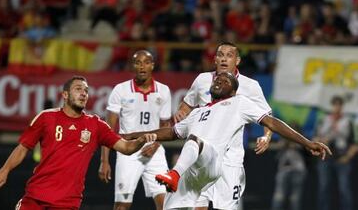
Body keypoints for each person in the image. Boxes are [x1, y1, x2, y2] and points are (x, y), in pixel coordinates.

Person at [124, 72, 331, 210]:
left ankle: (173, 174)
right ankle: (176, 176)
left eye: (225, 81)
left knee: (195, 141)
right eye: (217, 80)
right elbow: (171, 133)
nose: (218, 81)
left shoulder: (239, 103)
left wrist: (307, 142)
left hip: (213, 162)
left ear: (233, 90)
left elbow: (272, 122)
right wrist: (137, 135)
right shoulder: (198, 113)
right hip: (193, 168)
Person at [0, 76, 157, 210]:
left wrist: (141, 140)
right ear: (65, 95)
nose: (84, 93)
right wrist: (4, 170)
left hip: (67, 202)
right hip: (35, 197)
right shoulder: (46, 118)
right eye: (78, 89)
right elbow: (22, 148)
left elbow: (126, 148)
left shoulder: (96, 125)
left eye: (86, 91)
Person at [174, 41, 273, 210]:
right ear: (215, 59)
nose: (224, 59)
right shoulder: (202, 80)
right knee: (198, 206)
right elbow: (187, 104)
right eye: (220, 55)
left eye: (229, 55)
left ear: (238, 60)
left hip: (230, 160)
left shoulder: (250, 86)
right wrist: (181, 113)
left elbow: (267, 115)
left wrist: (266, 136)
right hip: (202, 158)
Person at [98, 50, 172, 210]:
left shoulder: (164, 90)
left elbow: (166, 125)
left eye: (146, 62)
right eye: (138, 62)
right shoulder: (121, 90)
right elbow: (108, 129)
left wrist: (156, 145)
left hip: (155, 151)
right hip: (128, 151)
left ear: (152, 65)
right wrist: (104, 161)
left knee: (165, 203)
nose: (142, 66)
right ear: (133, 66)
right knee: (122, 204)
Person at [314, 96, 356, 210]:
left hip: (341, 156)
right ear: (332, 106)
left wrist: (347, 157)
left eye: (339, 105)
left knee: (344, 188)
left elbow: (354, 143)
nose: (337, 107)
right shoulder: (323, 120)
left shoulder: (347, 121)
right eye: (335, 105)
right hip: (325, 156)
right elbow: (314, 139)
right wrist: (321, 140)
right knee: (323, 188)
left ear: (342, 107)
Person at [270, 123, 307, 210]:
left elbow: (307, 155)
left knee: (295, 197)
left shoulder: (303, 141)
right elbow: (277, 152)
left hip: (298, 170)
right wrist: (285, 143)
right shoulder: (283, 140)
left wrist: (297, 145)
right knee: (279, 196)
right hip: (284, 170)